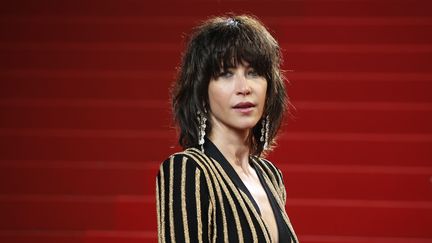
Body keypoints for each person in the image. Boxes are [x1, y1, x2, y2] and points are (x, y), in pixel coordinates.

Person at [156, 14, 299, 243]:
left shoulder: (270, 175)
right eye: (226, 74)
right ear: (202, 92)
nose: (244, 88)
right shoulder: (189, 170)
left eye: (253, 73)